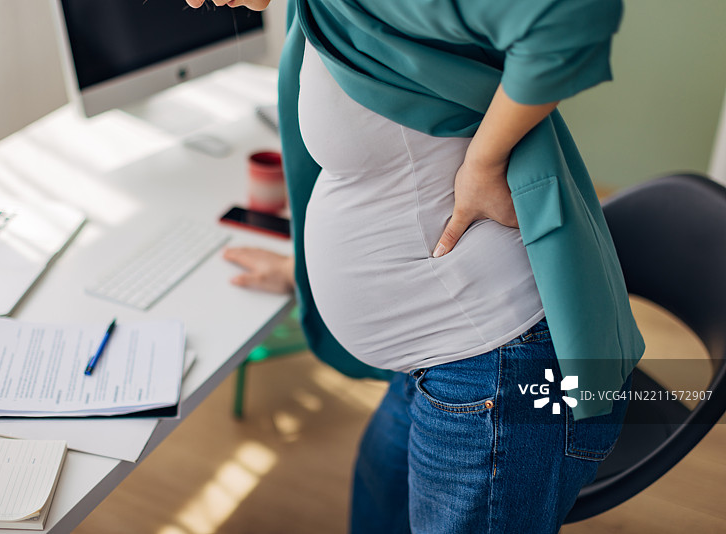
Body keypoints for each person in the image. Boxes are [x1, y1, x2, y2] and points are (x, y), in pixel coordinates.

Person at [188, 1, 644, 532]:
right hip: (438, 356)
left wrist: (485, 163)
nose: (195, 4)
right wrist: (304, 270)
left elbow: (571, 14)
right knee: (377, 503)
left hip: (494, 361)